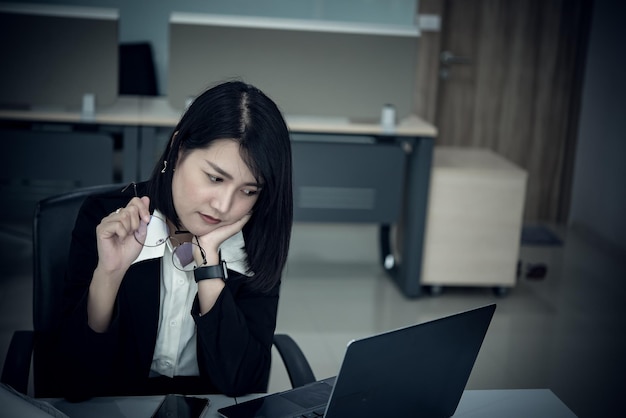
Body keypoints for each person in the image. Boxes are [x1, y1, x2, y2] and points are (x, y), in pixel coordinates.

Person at [58, 81, 293, 400]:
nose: (223, 206)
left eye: (248, 190)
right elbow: (73, 381)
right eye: (214, 178)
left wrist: (209, 268)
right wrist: (108, 276)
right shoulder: (108, 220)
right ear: (177, 149)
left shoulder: (257, 239)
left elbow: (243, 383)